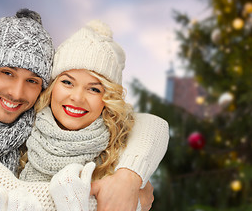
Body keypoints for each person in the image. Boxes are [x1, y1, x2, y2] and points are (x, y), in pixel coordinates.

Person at [0, 9, 168, 211]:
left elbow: (151, 124)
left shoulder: (20, 129)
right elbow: (11, 198)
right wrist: (127, 200)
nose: (17, 93)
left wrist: (128, 178)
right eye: (7, 72)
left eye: (32, 80)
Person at [17, 20, 168, 211]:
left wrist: (128, 178)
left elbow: (154, 124)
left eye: (94, 89)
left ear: (108, 98)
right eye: (68, 82)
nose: (77, 98)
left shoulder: (117, 150)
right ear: (52, 86)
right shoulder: (21, 130)